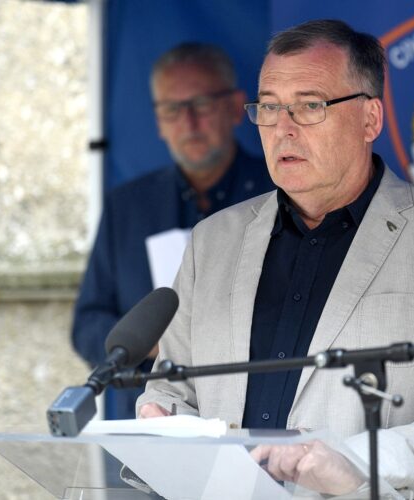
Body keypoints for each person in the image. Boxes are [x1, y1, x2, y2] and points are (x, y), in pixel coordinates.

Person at [137, 20, 414, 499]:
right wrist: (164, 419)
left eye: (310, 106)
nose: (283, 129)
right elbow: (171, 389)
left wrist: (359, 462)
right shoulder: (212, 241)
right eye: (270, 107)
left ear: (370, 120)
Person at [72, 42, 274, 420]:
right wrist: (144, 342)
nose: (188, 123)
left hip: (256, 418)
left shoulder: (280, 191)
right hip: (152, 420)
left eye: (201, 104)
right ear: (158, 122)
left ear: (235, 107)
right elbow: (87, 324)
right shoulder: (127, 207)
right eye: (172, 110)